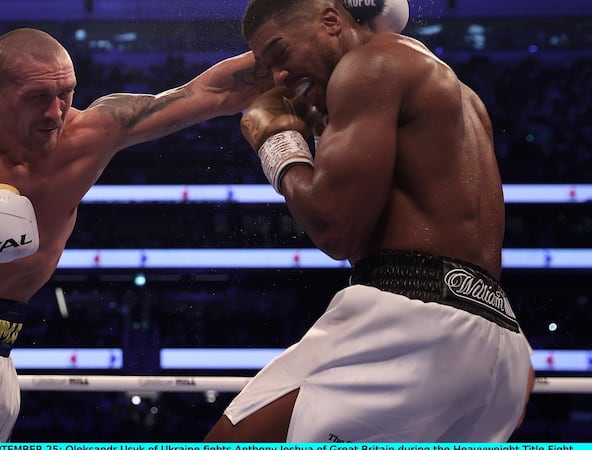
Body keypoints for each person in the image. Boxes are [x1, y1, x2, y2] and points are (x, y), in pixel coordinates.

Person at [0, 27, 273, 443]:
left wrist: (309, 32)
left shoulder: (93, 132)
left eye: (66, 93)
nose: (55, 112)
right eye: (36, 98)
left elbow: (211, 92)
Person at [205, 0, 535, 442]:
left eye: (280, 54)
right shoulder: (460, 94)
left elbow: (337, 229)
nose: (279, 77)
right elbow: (383, 237)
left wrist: (278, 144)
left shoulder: (369, 64)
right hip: (500, 340)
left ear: (330, 20)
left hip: (413, 321)